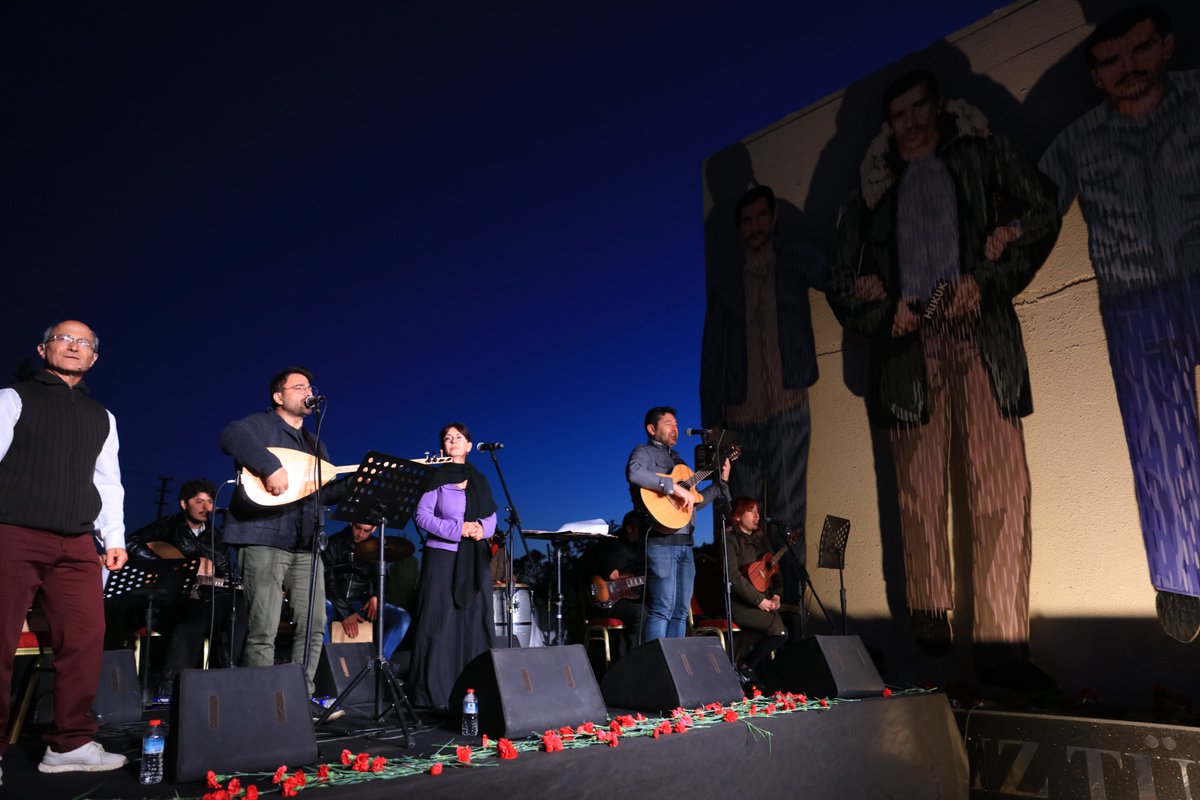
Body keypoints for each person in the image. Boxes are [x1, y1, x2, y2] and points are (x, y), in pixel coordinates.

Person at [828, 70, 1061, 691]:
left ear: (936, 106)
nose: (909, 121)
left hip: (980, 333)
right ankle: (929, 609)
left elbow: (1042, 209)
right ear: (889, 122)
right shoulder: (871, 193)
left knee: (1003, 488)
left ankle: (1003, 648)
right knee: (919, 488)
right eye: (897, 113)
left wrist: (984, 279)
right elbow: (839, 283)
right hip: (910, 351)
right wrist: (886, 311)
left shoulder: (982, 154)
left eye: (917, 107)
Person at [1038, 5, 1200, 642]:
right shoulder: (1077, 142)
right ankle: (1182, 581)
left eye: (1138, 51)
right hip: (1134, 298)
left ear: (1164, 46)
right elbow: (1031, 208)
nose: (1128, 69)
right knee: (1159, 443)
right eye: (1111, 62)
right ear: (1097, 77)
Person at [0, 321, 128, 775]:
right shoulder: (13, 398)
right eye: (64, 339)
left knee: (85, 639)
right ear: (43, 348)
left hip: (77, 541)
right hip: (13, 531)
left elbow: (107, 482)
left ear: (94, 358)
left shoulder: (102, 416)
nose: (74, 347)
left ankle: (69, 744)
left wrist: (113, 539)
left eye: (85, 343)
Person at [700, 184, 827, 616]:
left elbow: (831, 272)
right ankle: (755, 623)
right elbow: (711, 352)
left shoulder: (791, 258)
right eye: (746, 220)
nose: (754, 227)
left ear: (772, 220)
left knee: (790, 521)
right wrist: (713, 422)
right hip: (741, 420)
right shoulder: (726, 280)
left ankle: (792, 617)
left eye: (760, 218)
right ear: (739, 228)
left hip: (789, 409)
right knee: (743, 525)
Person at [220, 367, 350, 714]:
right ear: (279, 397)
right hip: (263, 536)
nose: (308, 390)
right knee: (263, 626)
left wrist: (362, 478)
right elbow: (232, 435)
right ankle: (260, 703)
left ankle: (299, 698)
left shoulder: (314, 443)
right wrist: (268, 465)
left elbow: (324, 488)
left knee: (314, 626)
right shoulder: (262, 425)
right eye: (299, 386)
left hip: (306, 543)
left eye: (309, 386)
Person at [128, 478, 248, 698]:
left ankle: (225, 681)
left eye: (210, 502)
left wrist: (218, 571)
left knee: (236, 607)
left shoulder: (216, 536)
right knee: (194, 612)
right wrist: (170, 567)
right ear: (184, 504)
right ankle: (172, 687)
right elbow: (131, 543)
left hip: (206, 597)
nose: (206, 507)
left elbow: (223, 572)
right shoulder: (167, 526)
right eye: (199, 501)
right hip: (171, 599)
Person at [408, 422, 498, 711]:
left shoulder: (480, 480)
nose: (453, 441)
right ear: (443, 447)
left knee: (475, 620)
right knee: (438, 620)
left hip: (474, 558)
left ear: (470, 446)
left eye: (458, 437)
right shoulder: (435, 478)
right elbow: (421, 516)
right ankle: (432, 693)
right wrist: (457, 529)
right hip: (442, 557)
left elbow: (492, 517)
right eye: (448, 438)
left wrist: (480, 530)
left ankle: (476, 688)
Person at [627, 406, 730, 641]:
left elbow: (697, 503)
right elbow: (635, 474)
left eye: (676, 424)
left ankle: (677, 663)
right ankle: (657, 665)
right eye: (668, 423)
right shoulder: (643, 453)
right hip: (661, 543)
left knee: (681, 612)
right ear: (652, 429)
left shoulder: (680, 463)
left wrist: (722, 482)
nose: (675, 429)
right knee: (662, 608)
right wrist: (671, 487)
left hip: (685, 544)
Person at [322, 521, 413, 660]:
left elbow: (384, 580)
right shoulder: (333, 543)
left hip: (361, 604)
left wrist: (377, 596)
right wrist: (346, 613)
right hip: (334, 602)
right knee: (318, 615)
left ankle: (379, 665)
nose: (361, 534)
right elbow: (330, 583)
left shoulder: (378, 548)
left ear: (374, 528)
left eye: (367, 531)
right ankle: (329, 664)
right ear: (351, 522)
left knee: (403, 618)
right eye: (358, 528)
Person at [724, 498, 788, 686]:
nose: (757, 515)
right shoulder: (729, 540)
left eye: (758, 511)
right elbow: (734, 577)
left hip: (764, 602)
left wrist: (777, 595)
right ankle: (745, 667)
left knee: (791, 623)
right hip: (740, 604)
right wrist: (759, 600)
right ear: (737, 515)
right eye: (751, 511)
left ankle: (763, 674)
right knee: (779, 631)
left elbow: (775, 573)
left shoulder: (761, 540)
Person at [579, 510, 646, 654]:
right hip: (605, 603)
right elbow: (586, 564)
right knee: (641, 613)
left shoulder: (639, 550)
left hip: (628, 600)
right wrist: (606, 570)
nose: (643, 535)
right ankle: (636, 656)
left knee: (651, 609)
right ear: (630, 528)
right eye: (642, 529)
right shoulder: (610, 543)